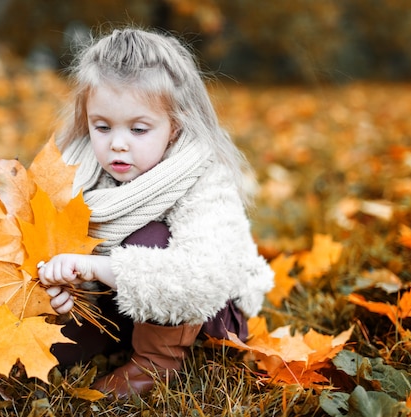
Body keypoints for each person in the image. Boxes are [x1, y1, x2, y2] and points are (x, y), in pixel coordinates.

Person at [37, 27, 274, 399]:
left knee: (149, 238)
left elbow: (202, 279)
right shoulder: (78, 168)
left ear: (174, 125)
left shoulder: (201, 175)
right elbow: (59, 247)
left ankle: (157, 362)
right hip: (118, 301)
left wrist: (97, 268)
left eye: (138, 128)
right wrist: (66, 285)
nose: (117, 143)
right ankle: (115, 337)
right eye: (102, 126)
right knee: (57, 351)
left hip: (203, 309)